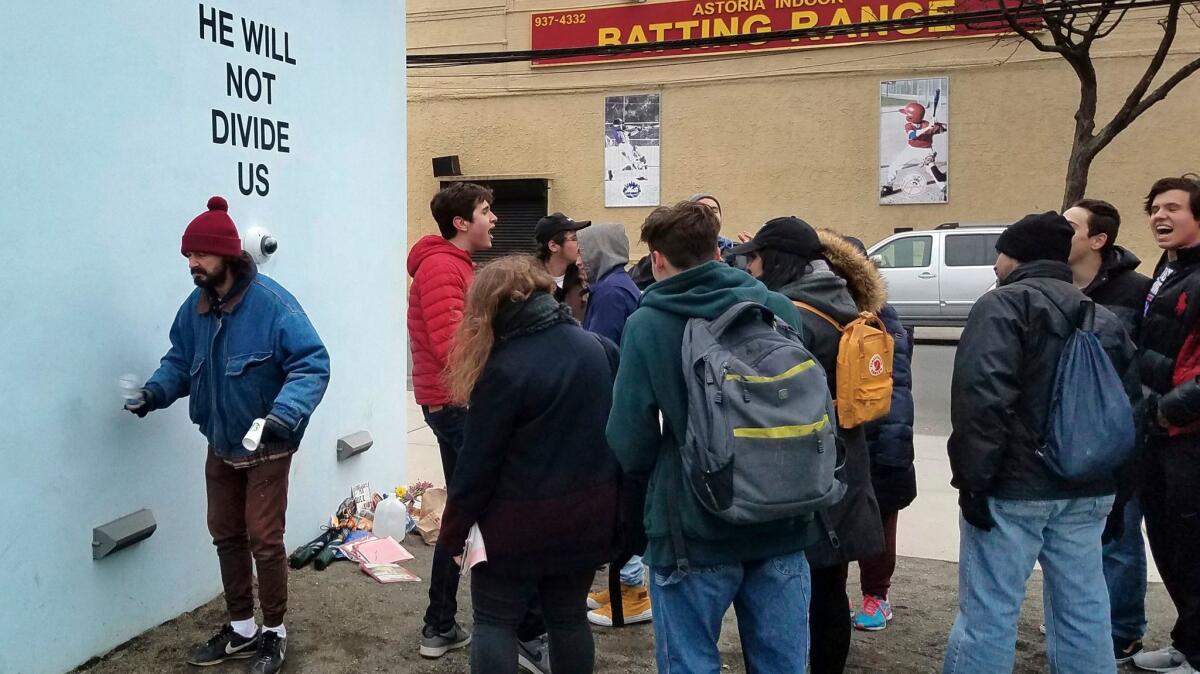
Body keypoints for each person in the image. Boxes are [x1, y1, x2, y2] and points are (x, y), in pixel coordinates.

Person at [607, 201, 819, 673]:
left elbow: (629, 439)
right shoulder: (777, 307)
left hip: (692, 526)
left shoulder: (648, 323)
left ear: (657, 259)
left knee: (689, 663)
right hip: (782, 517)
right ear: (718, 250)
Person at [125, 196, 330, 674]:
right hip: (220, 441)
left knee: (264, 538)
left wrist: (286, 412)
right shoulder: (193, 310)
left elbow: (312, 363)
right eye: (188, 256)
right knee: (225, 533)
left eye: (200, 255)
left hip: (268, 441)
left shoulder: (273, 305)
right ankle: (241, 628)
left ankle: (273, 633)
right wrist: (154, 393)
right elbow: (180, 361)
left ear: (228, 255)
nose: (192, 264)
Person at [942, 212, 1141, 674]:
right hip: (1090, 487)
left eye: (1001, 251)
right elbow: (1131, 413)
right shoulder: (1103, 318)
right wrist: (1120, 491)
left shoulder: (1003, 306)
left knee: (989, 612)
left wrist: (973, 482)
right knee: (1085, 608)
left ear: (1018, 256)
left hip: (1013, 488)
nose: (995, 263)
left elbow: (981, 401)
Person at [438, 255, 624, 674]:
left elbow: (476, 467)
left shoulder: (503, 369)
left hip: (515, 527)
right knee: (569, 618)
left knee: (494, 622)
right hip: (586, 520)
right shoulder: (598, 349)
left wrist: (453, 535)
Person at [729, 220, 887, 672]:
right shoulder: (841, 300)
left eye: (756, 258)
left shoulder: (791, 316)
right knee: (831, 587)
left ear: (777, 259)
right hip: (848, 462)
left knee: (800, 592)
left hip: (807, 470)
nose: (751, 267)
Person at [408, 182, 504, 661]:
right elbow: (454, 349)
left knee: (462, 512)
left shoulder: (456, 266)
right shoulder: (443, 267)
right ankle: (512, 629)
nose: (495, 219)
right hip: (457, 407)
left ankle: (439, 625)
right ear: (461, 222)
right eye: (486, 211)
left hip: (454, 404)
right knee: (497, 508)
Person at [1063, 198, 1152, 665]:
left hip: (1123, 429)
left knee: (1119, 533)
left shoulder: (1136, 289)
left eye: (1071, 226)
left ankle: (1123, 630)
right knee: (1082, 536)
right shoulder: (1056, 287)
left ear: (1098, 240)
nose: (1062, 232)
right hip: (1072, 434)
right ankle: (1089, 620)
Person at [1132, 175, 1200, 674]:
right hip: (1161, 431)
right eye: (1155, 208)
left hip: (1188, 434)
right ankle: (1189, 642)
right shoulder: (1169, 268)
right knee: (1170, 544)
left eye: (1173, 208)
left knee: (1192, 547)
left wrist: (1170, 407)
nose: (1161, 216)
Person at [838, 236, 917, 633]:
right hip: (852, 442)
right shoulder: (830, 311)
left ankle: (877, 595)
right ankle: (842, 594)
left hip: (883, 438)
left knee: (880, 523)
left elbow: (892, 386)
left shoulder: (882, 319)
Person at [575, 222, 651, 626]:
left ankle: (633, 589)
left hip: (613, 407)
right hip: (624, 403)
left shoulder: (608, 293)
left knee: (623, 503)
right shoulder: (619, 286)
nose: (581, 262)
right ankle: (626, 584)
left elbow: (599, 351)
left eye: (587, 252)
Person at [881, 101, 947, 197]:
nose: (905, 116)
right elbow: (912, 136)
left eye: (907, 114)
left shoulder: (928, 125)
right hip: (911, 149)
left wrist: (938, 124)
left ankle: (944, 188)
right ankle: (889, 186)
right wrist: (928, 128)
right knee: (894, 166)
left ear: (912, 116)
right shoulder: (909, 125)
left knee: (932, 171)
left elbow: (945, 128)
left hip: (926, 151)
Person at [535, 212, 591, 319]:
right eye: (574, 239)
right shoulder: (528, 284)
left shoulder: (585, 280)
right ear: (553, 246)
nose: (580, 244)